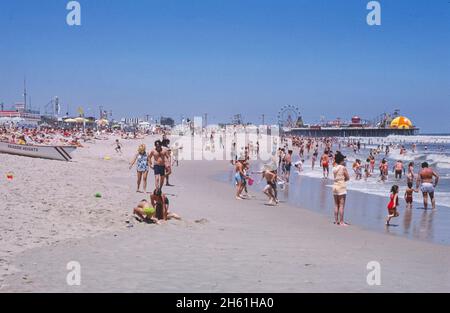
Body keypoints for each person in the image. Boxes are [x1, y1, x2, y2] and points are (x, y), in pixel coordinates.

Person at [332, 152, 350, 226]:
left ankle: (336, 221)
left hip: (335, 186)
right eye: (343, 159)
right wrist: (343, 180)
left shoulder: (334, 168)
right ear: (341, 160)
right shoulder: (343, 168)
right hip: (341, 186)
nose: (344, 160)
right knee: (342, 205)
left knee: (336, 204)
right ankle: (341, 221)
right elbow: (348, 177)